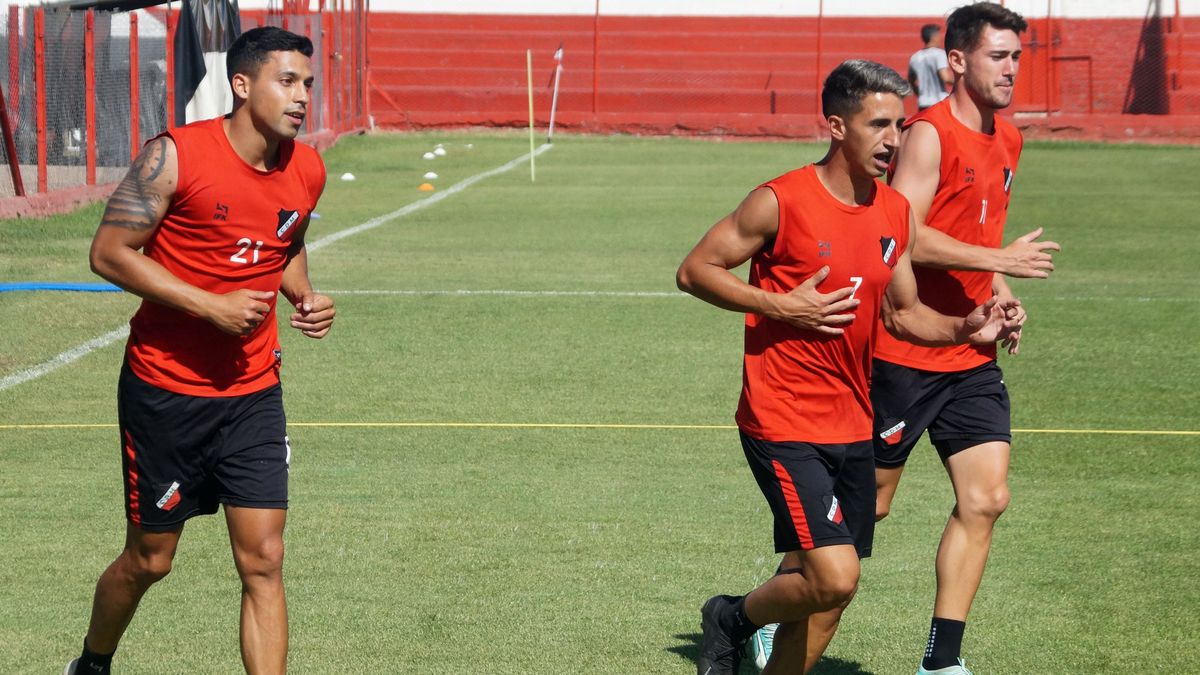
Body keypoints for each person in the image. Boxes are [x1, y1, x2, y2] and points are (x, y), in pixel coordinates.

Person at [676, 59, 1020, 675]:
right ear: (837, 126)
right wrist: (781, 304)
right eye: (877, 124)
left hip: (853, 421)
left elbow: (904, 314)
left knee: (830, 599)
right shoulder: (779, 200)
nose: (893, 140)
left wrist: (968, 328)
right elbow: (694, 270)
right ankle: (732, 616)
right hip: (782, 419)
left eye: (899, 124)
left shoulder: (893, 212)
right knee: (835, 576)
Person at [65, 27, 333, 675]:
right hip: (166, 393)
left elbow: (283, 238)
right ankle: (93, 663)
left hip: (253, 393)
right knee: (150, 559)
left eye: (308, 85)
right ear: (242, 85)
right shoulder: (175, 157)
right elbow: (108, 253)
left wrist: (303, 293)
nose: (302, 98)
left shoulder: (307, 166)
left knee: (264, 558)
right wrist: (208, 305)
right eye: (287, 82)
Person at [871, 4, 1060, 675]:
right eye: (997, 56)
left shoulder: (1008, 139)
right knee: (868, 506)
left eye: (1016, 57)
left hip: (971, 355)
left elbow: (982, 237)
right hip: (905, 349)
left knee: (986, 497)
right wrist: (1000, 265)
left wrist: (1005, 301)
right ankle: (771, 610)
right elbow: (904, 232)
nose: (1011, 69)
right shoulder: (928, 136)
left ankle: (940, 661)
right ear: (956, 61)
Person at [909, 23, 953, 111]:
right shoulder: (939, 54)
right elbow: (945, 77)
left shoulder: (915, 57)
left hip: (923, 103)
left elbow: (911, 81)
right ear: (933, 37)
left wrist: (920, 94)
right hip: (939, 101)